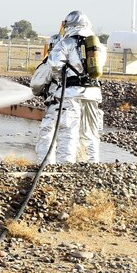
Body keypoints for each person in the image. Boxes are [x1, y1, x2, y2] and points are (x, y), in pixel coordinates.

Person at [35, 10, 104, 164]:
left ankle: (65, 166)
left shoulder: (65, 43)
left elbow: (54, 64)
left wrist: (60, 79)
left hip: (70, 93)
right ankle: (93, 164)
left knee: (69, 130)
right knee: (91, 131)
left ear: (69, 25)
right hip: (93, 93)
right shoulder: (97, 45)